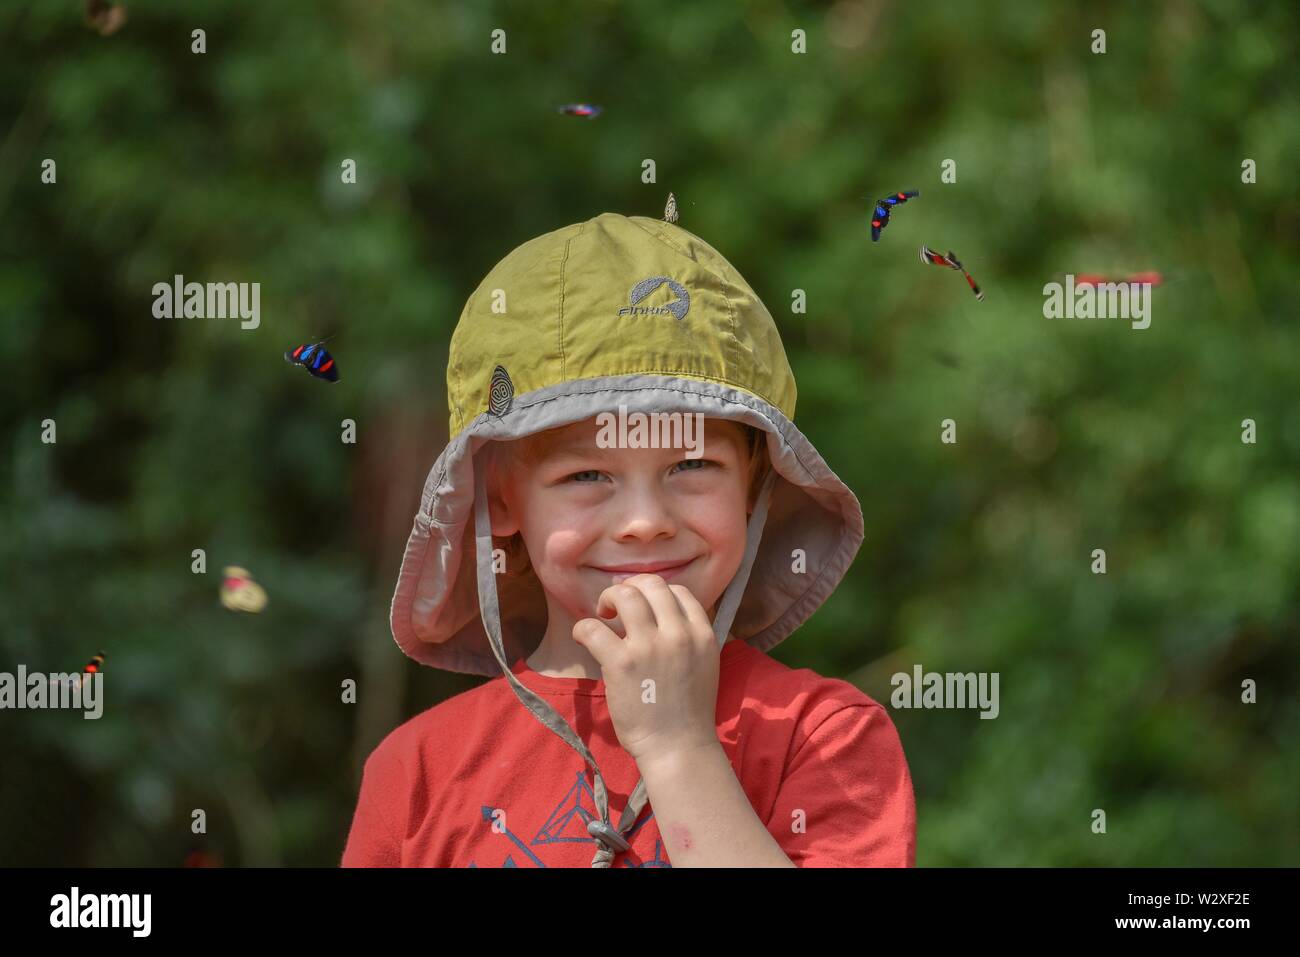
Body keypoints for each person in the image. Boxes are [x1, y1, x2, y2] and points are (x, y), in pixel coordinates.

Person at [341, 212, 916, 867]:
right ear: (500, 497)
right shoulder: (416, 773)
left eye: (692, 465)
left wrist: (679, 746)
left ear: (756, 485)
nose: (645, 519)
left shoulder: (824, 737)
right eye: (587, 474)